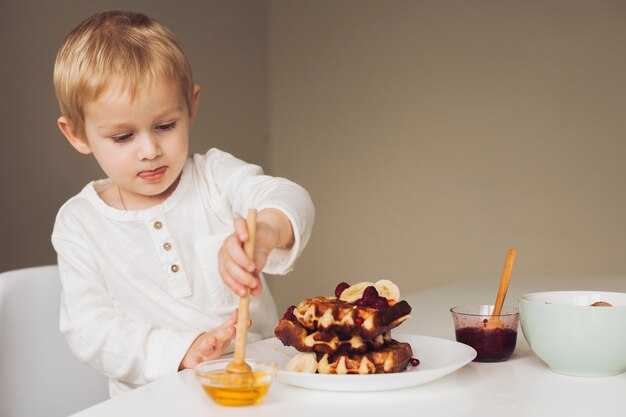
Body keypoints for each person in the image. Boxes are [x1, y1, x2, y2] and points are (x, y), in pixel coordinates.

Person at [51, 10, 314, 397]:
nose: (150, 150)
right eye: (123, 137)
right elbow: (90, 331)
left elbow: (289, 196)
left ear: (190, 106)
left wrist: (267, 233)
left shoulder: (215, 177)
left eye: (165, 126)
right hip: (153, 398)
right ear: (77, 134)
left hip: (258, 387)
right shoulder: (79, 224)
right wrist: (181, 350)